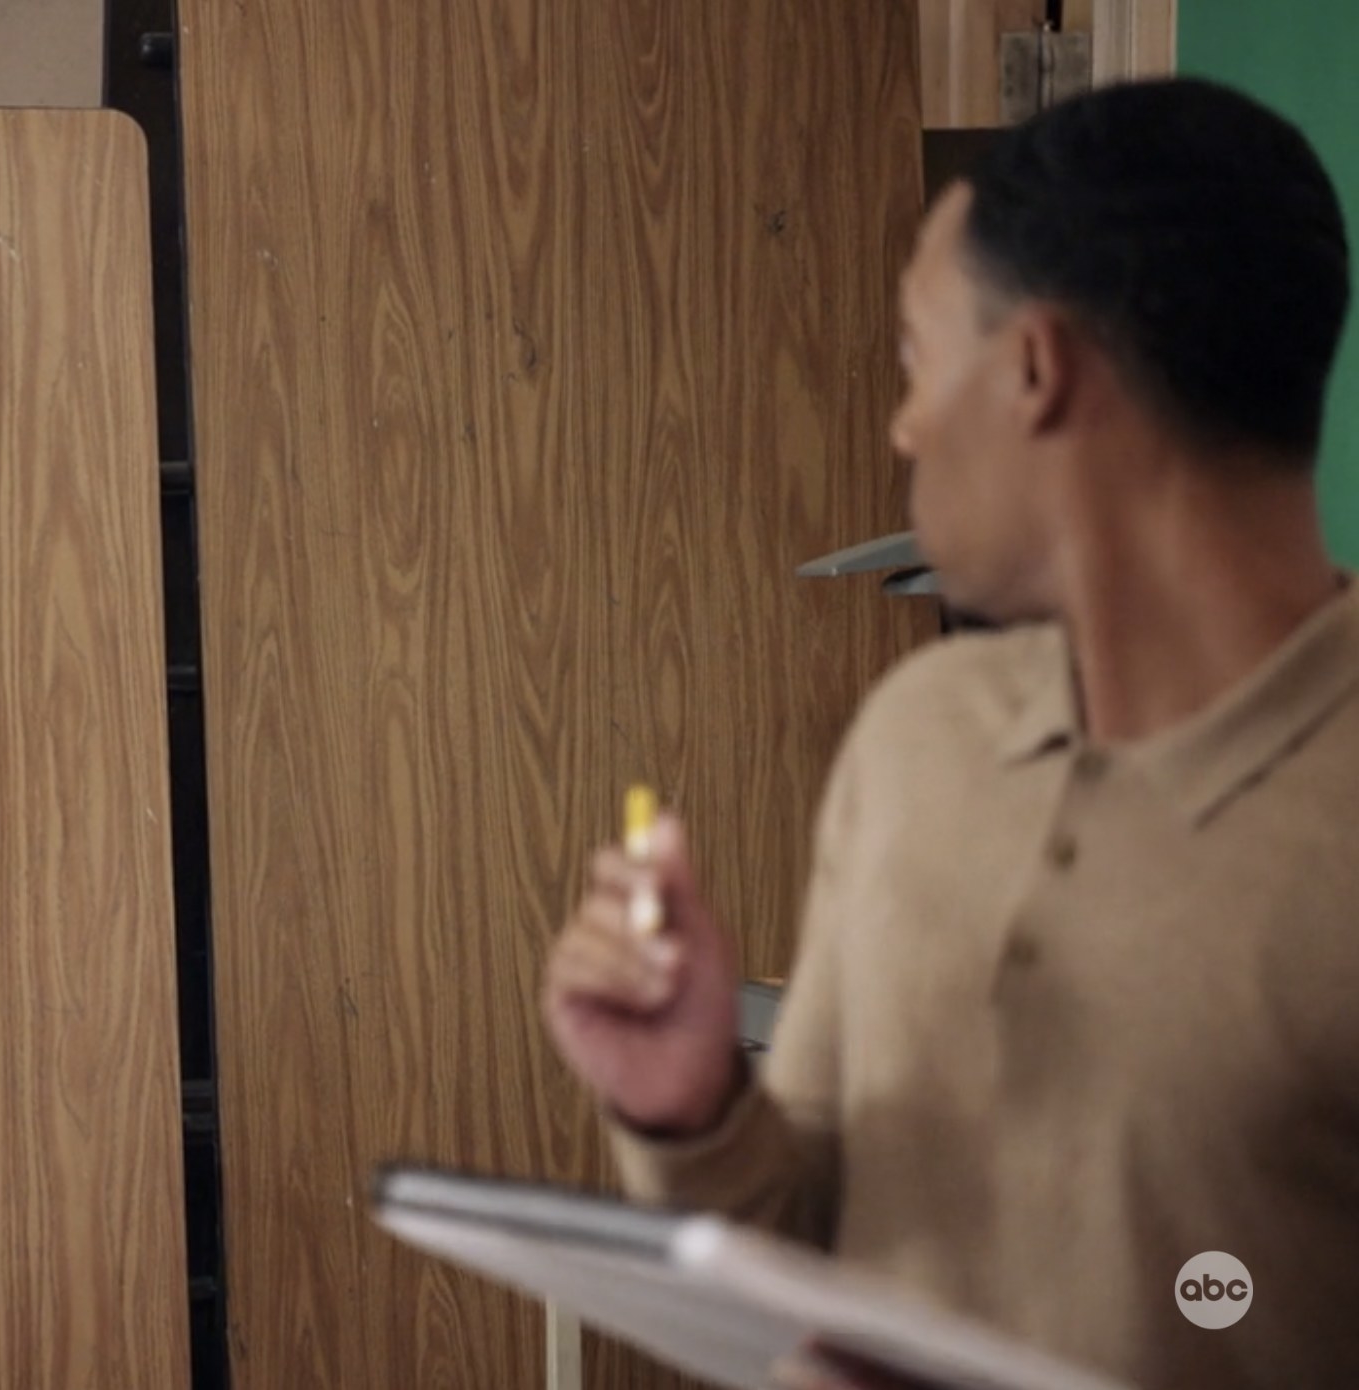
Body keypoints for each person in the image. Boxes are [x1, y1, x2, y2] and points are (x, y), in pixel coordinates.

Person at [542, 78, 1357, 1390]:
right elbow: (808, 1234)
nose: (903, 424)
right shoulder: (916, 737)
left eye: (920, 362)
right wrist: (688, 1104)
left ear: (1036, 371)